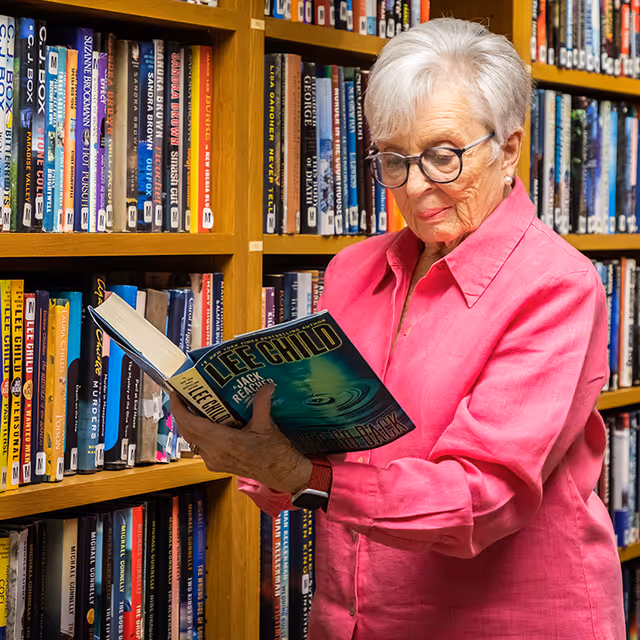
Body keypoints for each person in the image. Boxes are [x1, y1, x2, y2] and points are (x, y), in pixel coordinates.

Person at [170, 17, 624, 639]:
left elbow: (482, 497)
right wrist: (249, 439)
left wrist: (302, 476)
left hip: (507, 619)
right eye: (393, 158)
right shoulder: (352, 270)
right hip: (351, 616)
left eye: (442, 156)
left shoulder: (556, 286)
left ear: (510, 148)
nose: (414, 188)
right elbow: (322, 447)